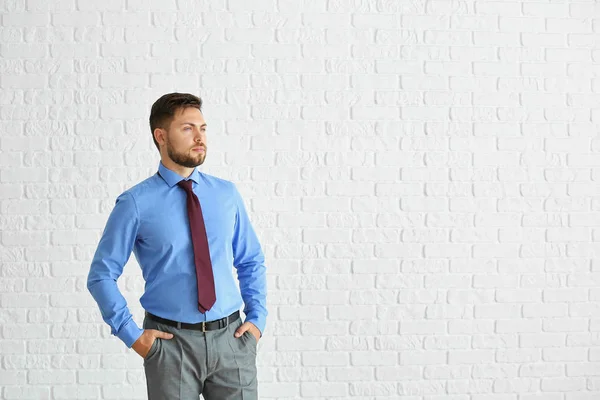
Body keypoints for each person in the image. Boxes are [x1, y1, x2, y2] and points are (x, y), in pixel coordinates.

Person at [87, 92, 267, 399]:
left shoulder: (226, 194)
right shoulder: (135, 203)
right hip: (171, 346)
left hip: (233, 341)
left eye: (203, 128)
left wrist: (256, 321)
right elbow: (101, 276)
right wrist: (133, 336)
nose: (199, 137)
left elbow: (250, 260)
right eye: (187, 128)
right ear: (161, 136)